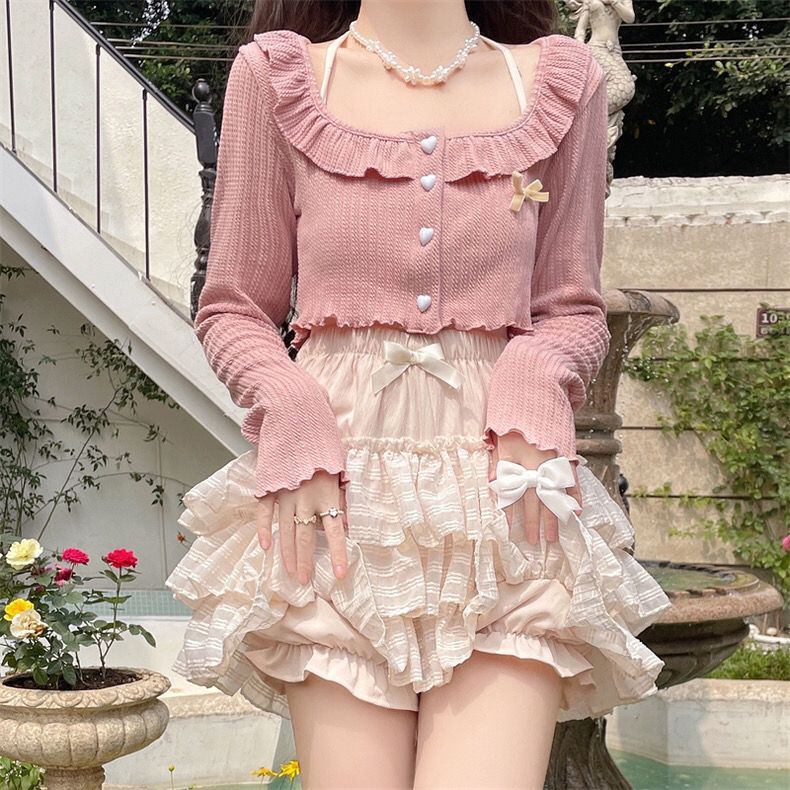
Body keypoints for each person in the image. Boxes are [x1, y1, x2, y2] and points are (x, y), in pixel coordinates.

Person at [165, 1, 673, 787]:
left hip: (510, 500)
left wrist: (534, 378)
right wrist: (290, 409)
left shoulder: (561, 81)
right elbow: (233, 306)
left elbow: (573, 308)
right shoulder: (276, 76)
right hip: (336, 500)